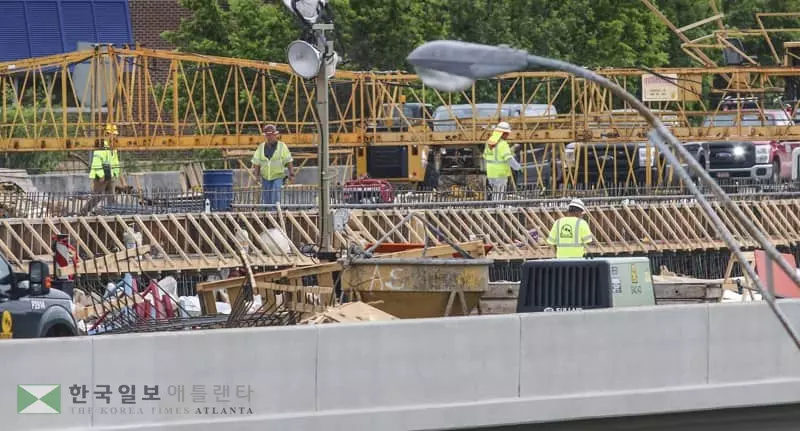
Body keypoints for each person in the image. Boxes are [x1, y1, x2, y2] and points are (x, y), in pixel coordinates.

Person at [251, 124, 294, 205]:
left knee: (275, 197)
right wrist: (256, 176)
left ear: (275, 135)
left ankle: (275, 214)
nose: (269, 137)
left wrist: (291, 173)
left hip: (277, 176)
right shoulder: (261, 147)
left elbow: (289, 160)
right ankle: (268, 215)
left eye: (271, 135)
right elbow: (256, 163)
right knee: (267, 200)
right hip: (265, 177)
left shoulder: (282, 146)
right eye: (267, 135)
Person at [483, 121, 521, 201]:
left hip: (491, 172)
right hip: (500, 173)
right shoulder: (503, 144)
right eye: (506, 133)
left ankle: (493, 209)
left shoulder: (489, 142)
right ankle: (498, 210)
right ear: (502, 133)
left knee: (494, 193)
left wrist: (512, 149)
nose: (508, 135)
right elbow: (508, 158)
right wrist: (518, 167)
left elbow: (488, 156)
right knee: (499, 194)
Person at [88, 124, 121, 196]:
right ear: (107, 134)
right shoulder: (101, 145)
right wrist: (101, 175)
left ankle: (111, 206)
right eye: (113, 134)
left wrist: (116, 174)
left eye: (116, 135)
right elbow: (96, 163)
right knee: (97, 198)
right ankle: (85, 208)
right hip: (100, 178)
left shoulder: (113, 147)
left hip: (110, 175)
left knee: (111, 197)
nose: (115, 136)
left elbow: (115, 162)